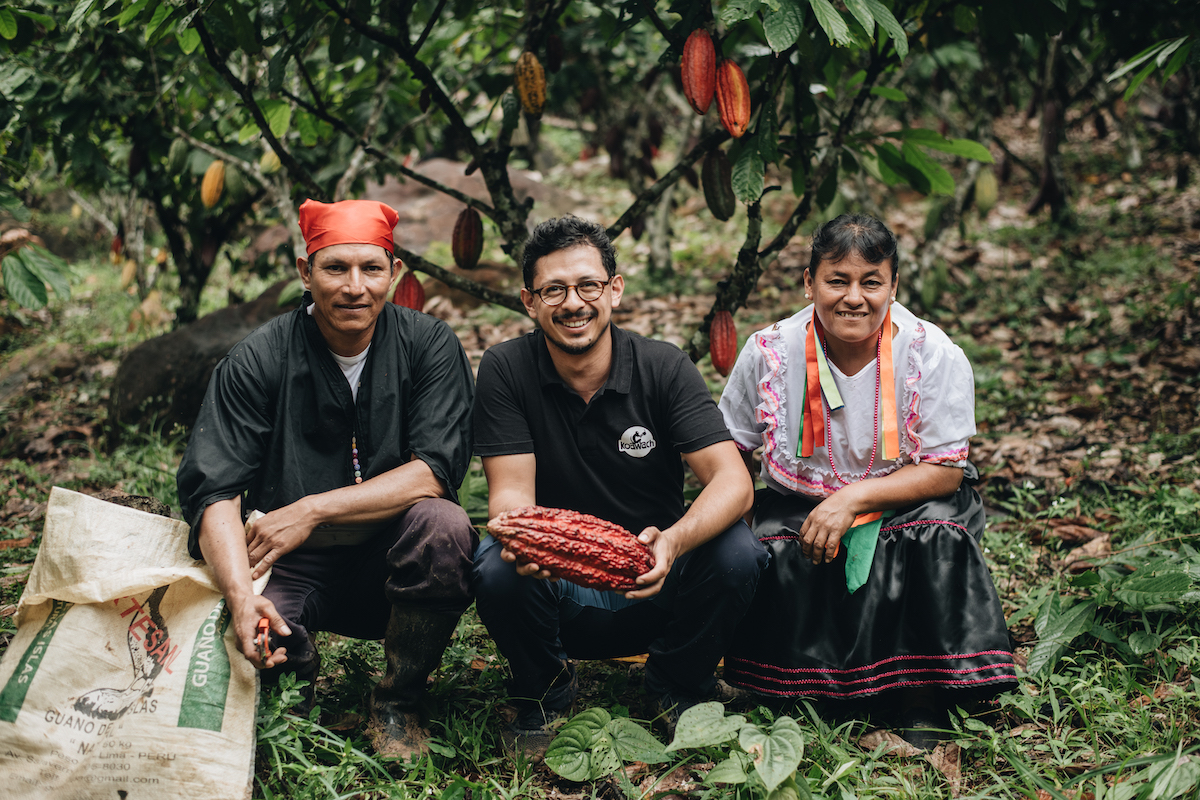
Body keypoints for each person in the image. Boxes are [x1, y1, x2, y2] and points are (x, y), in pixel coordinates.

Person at [176, 198, 477, 760]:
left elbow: (433, 472)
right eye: (335, 268)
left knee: (445, 528)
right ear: (304, 271)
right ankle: (299, 675)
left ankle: (399, 702)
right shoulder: (257, 358)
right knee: (262, 650)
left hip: (388, 561)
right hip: (286, 562)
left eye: (371, 268)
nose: (354, 287)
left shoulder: (429, 345)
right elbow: (214, 490)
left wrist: (312, 508)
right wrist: (241, 596)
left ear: (395, 272)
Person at [472, 216, 767, 758]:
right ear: (528, 301)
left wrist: (674, 541)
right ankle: (545, 692)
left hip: (655, 580)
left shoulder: (663, 367)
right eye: (553, 290)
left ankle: (677, 684)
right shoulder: (506, 369)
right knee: (496, 563)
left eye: (588, 285)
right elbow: (510, 497)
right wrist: (528, 542)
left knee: (738, 550)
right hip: (557, 590)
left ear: (615, 289)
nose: (573, 303)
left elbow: (734, 482)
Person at [717, 213, 1016, 748]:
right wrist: (737, 527)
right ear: (809, 283)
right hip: (798, 500)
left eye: (871, 282)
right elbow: (730, 450)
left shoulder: (932, 352)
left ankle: (920, 695)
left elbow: (945, 472)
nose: (854, 297)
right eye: (837, 280)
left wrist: (852, 500)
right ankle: (795, 688)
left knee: (933, 535)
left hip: (908, 497)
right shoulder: (769, 351)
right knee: (762, 548)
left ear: (893, 286)